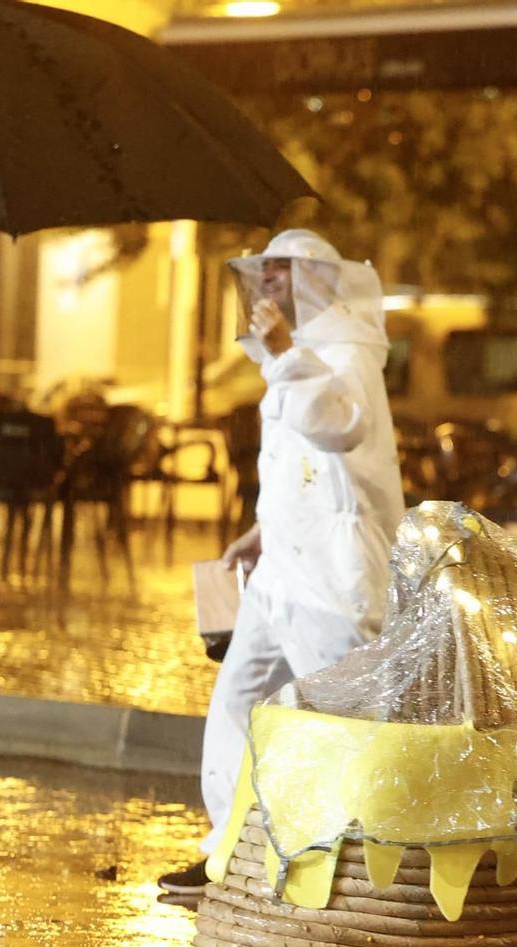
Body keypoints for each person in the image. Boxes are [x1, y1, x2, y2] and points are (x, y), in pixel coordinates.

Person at [158, 230, 404, 902]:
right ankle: (228, 853)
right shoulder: (295, 353)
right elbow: (297, 468)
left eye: (278, 274)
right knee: (239, 698)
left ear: (315, 278)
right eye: (260, 275)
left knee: (347, 717)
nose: (265, 287)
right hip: (283, 574)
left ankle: (364, 867)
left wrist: (287, 356)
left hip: (332, 576)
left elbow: (339, 428)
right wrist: (264, 530)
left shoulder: (346, 350)